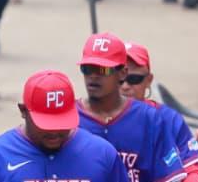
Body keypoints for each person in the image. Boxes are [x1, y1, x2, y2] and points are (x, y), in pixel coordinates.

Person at [0, 70, 128, 182]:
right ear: (23, 111)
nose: (55, 132)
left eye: (62, 122)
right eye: (46, 124)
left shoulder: (103, 154)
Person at [76, 32, 186, 182]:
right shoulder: (70, 118)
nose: (94, 76)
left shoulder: (150, 119)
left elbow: (170, 177)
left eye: (103, 70)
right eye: (87, 69)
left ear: (122, 74)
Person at [122, 43, 198, 182]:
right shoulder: (95, 119)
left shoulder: (168, 119)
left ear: (149, 80)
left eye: (134, 79)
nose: (125, 86)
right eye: (119, 79)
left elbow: (192, 170)